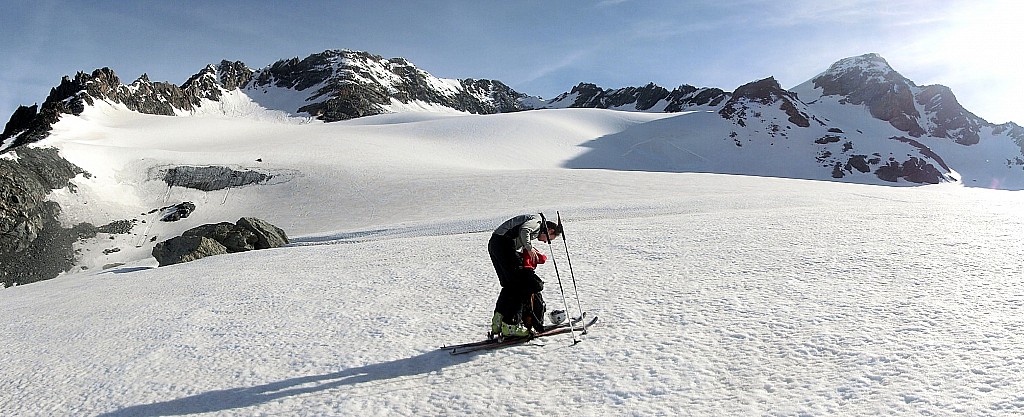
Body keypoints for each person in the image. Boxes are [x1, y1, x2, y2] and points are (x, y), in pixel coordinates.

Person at [488, 214, 562, 338]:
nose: (544, 242)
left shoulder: (535, 224)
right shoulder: (537, 222)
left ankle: (498, 322)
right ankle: (510, 325)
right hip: (503, 244)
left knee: (509, 285)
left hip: (495, 245)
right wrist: (529, 247)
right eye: (549, 239)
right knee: (520, 285)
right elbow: (524, 230)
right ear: (550, 230)